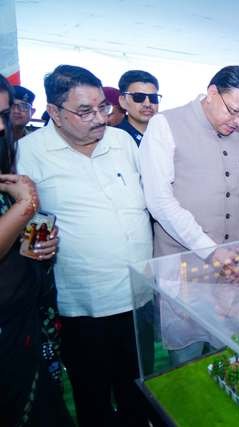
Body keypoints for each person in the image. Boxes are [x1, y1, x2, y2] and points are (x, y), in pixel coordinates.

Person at [17, 65, 153, 427]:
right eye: (85, 111)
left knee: (139, 390)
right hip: (83, 305)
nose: (99, 118)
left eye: (102, 107)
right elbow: (28, 223)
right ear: (55, 111)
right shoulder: (29, 151)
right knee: (93, 395)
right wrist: (35, 245)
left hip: (139, 294)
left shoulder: (121, 142)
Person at [140, 65, 239, 363]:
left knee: (231, 354)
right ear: (212, 93)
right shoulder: (165, 125)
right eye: (234, 111)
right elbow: (159, 200)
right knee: (187, 358)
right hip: (185, 267)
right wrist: (209, 249)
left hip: (231, 268)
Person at [0, 74, 69, 427]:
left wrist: (38, 243)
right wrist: (25, 206)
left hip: (24, 317)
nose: (1, 126)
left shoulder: (6, 155)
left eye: (2, 114)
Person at [117, 70, 161, 146]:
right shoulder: (114, 138)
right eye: (139, 97)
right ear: (123, 101)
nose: (147, 104)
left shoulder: (167, 134)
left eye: (153, 97)